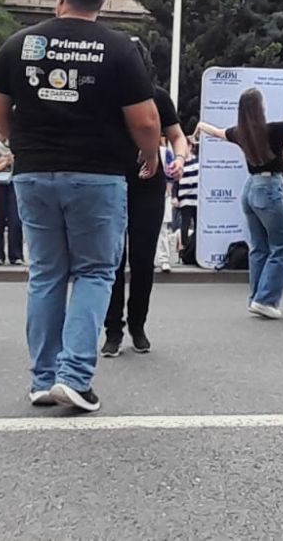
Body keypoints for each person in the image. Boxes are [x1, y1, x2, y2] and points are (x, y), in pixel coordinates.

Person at [0, 0, 162, 413]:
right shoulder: (118, 48)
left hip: (34, 171)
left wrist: (20, 139)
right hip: (97, 173)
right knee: (95, 271)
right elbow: (145, 119)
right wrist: (150, 154)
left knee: (46, 274)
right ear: (101, 0)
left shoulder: (21, 43)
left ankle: (43, 379)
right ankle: (75, 376)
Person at [198, 88, 283, 319]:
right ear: (260, 107)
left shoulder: (240, 132)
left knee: (259, 247)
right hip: (269, 188)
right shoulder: (273, 130)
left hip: (250, 189)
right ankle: (265, 300)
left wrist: (201, 125)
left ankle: (257, 297)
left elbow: (217, 132)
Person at [103, 39, 187, 355]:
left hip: (149, 185)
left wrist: (180, 159)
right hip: (110, 181)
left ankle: (137, 325)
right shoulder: (104, 95)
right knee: (112, 259)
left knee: (142, 260)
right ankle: (113, 330)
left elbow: (177, 135)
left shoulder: (157, 97)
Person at [0, 140, 23, 264]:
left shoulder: (19, 145)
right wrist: (6, 162)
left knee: (15, 220)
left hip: (15, 183)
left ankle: (16, 255)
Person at [173, 146, 200, 266]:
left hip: (197, 198)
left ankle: (196, 247)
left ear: (190, 147)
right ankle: (184, 248)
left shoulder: (198, 160)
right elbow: (175, 181)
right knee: (185, 224)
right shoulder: (180, 163)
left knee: (198, 224)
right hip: (185, 198)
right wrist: (175, 196)